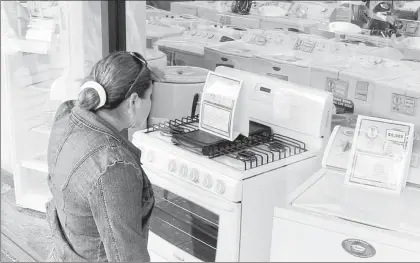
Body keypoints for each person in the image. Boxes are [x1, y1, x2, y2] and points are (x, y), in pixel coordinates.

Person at [45, 51, 159, 262]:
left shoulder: (67, 115)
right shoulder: (114, 167)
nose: (151, 103)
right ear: (133, 101)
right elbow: (127, 257)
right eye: (149, 96)